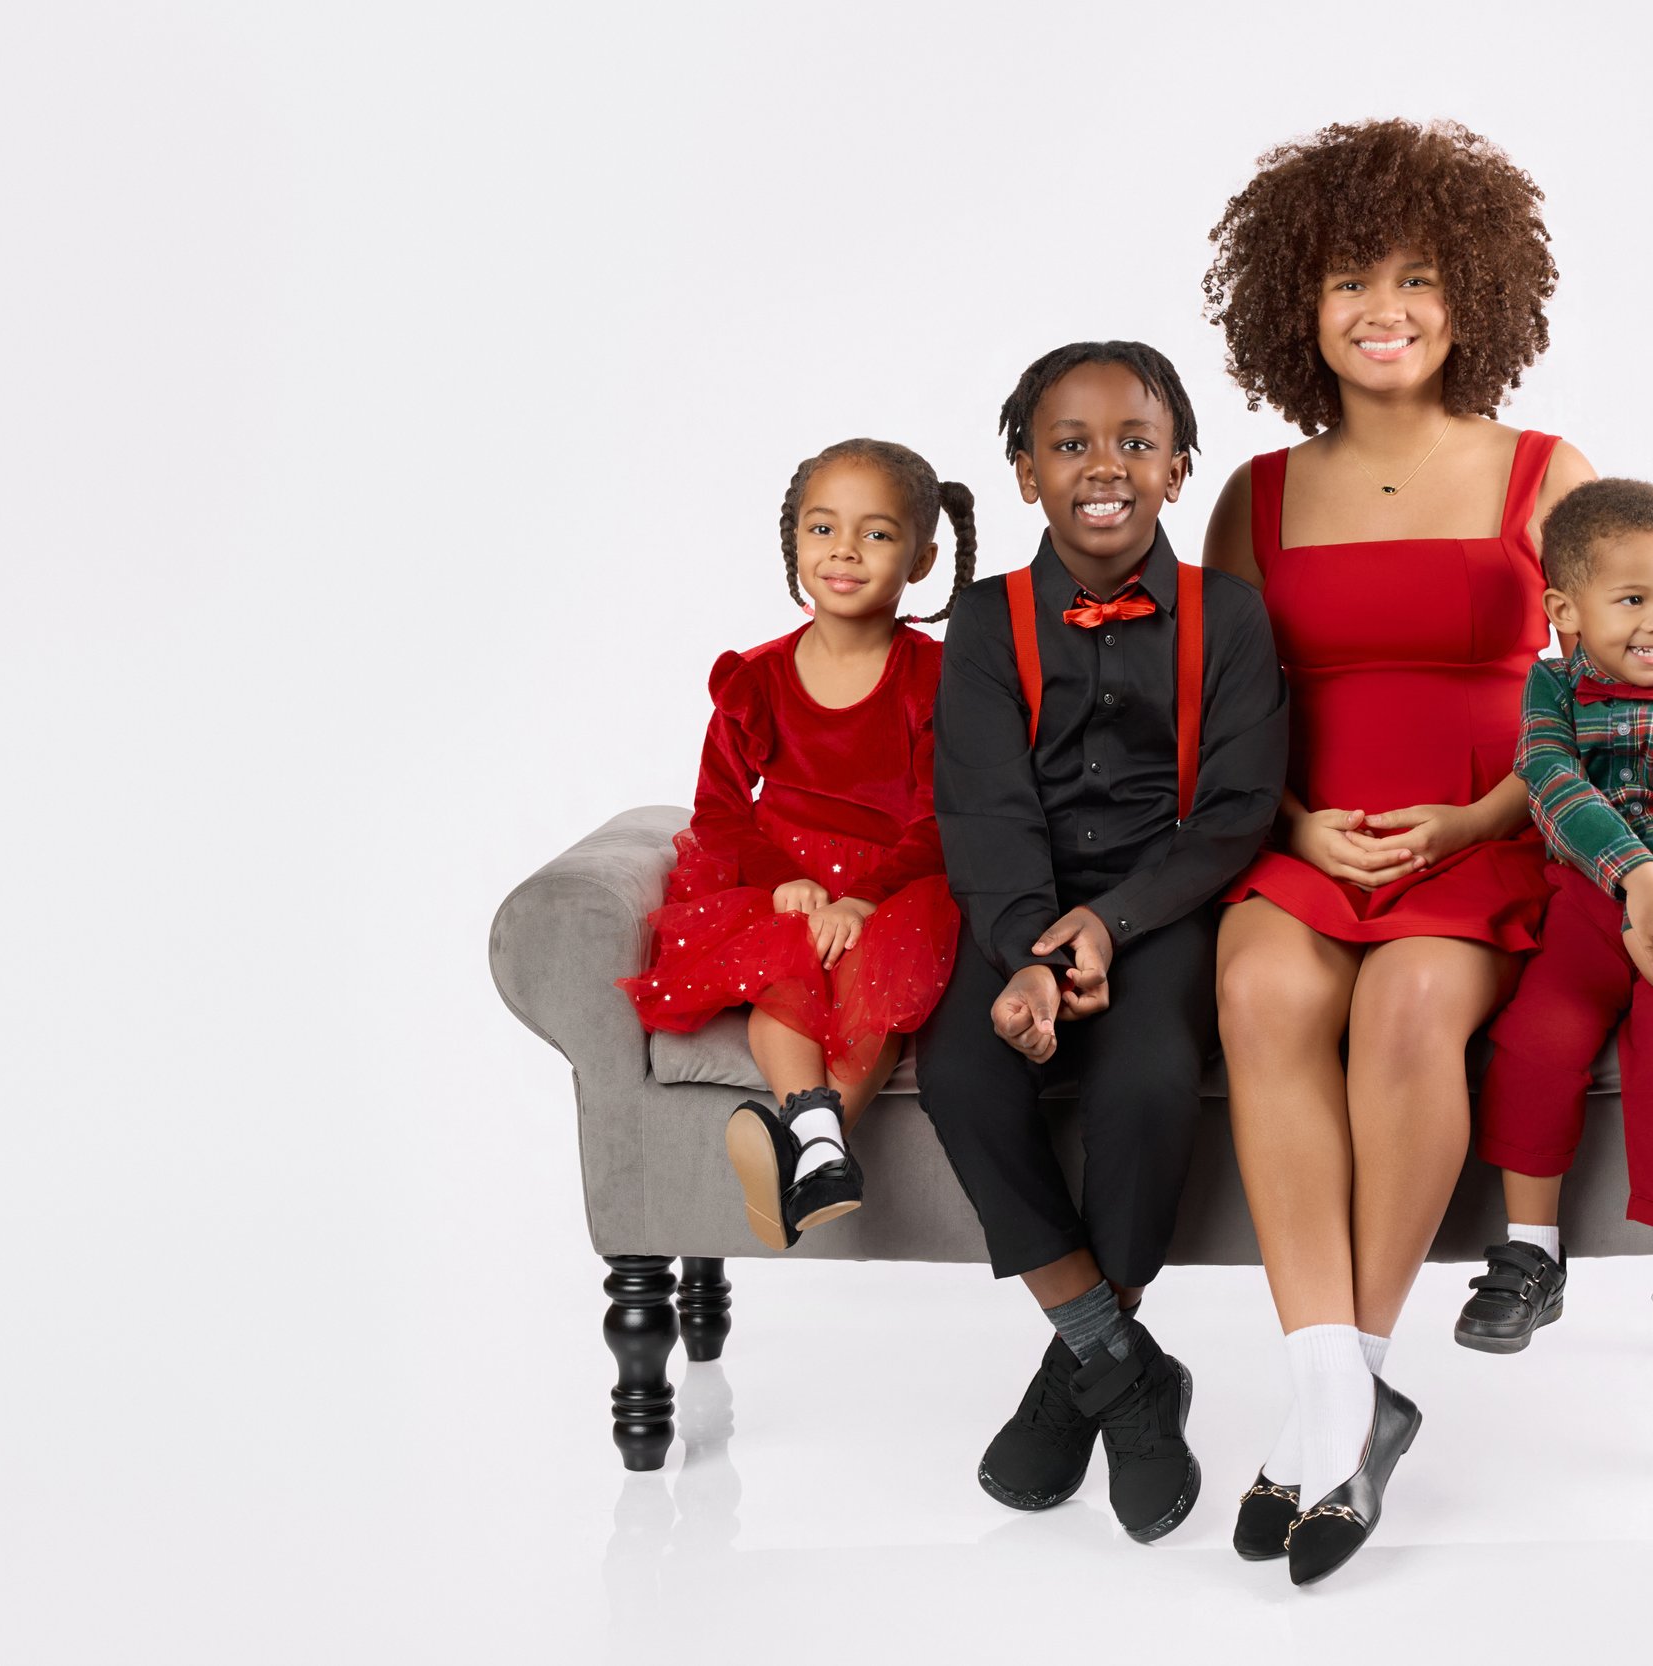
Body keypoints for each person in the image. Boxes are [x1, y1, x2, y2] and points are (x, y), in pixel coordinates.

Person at [1199, 118, 1596, 1584]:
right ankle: (1337, 1398)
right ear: (1295, 305)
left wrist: (1488, 816)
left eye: (1419, 276)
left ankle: (1343, 1393)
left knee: (1412, 1004)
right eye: (1350, 279)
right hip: (1302, 832)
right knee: (1262, 995)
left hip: (1486, 828)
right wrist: (1293, 824)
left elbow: (1616, 686)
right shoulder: (1250, 494)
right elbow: (1223, 717)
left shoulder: (1545, 471)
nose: (1385, 308)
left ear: (1473, 295)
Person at [917, 342, 1288, 1544]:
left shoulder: (1230, 619)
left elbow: (1235, 811)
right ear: (1025, 474)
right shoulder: (984, 622)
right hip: (1013, 900)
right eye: (1069, 443)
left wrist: (1110, 924)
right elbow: (982, 807)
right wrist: (1031, 944)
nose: (1104, 466)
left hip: (1164, 905)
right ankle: (1127, 1369)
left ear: (1179, 469)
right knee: (968, 1070)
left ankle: (1076, 1362)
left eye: (1135, 441)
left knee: (1143, 1083)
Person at [1453, 479, 1653, 1412]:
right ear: (1566, 613)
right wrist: (1629, 886)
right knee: (1538, 1038)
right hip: (1597, 901)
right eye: (1632, 600)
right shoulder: (1550, 687)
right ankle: (1532, 1256)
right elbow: (1551, 781)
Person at [618, 439, 970, 1250]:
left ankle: (804, 1152)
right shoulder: (758, 679)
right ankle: (815, 1137)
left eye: (876, 534)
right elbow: (719, 810)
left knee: (881, 974)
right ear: (795, 545)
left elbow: (942, 811)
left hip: (890, 882)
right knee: (785, 970)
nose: (844, 550)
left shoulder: (934, 680)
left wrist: (865, 896)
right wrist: (783, 881)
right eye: (822, 528)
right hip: (788, 879)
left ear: (921, 560)